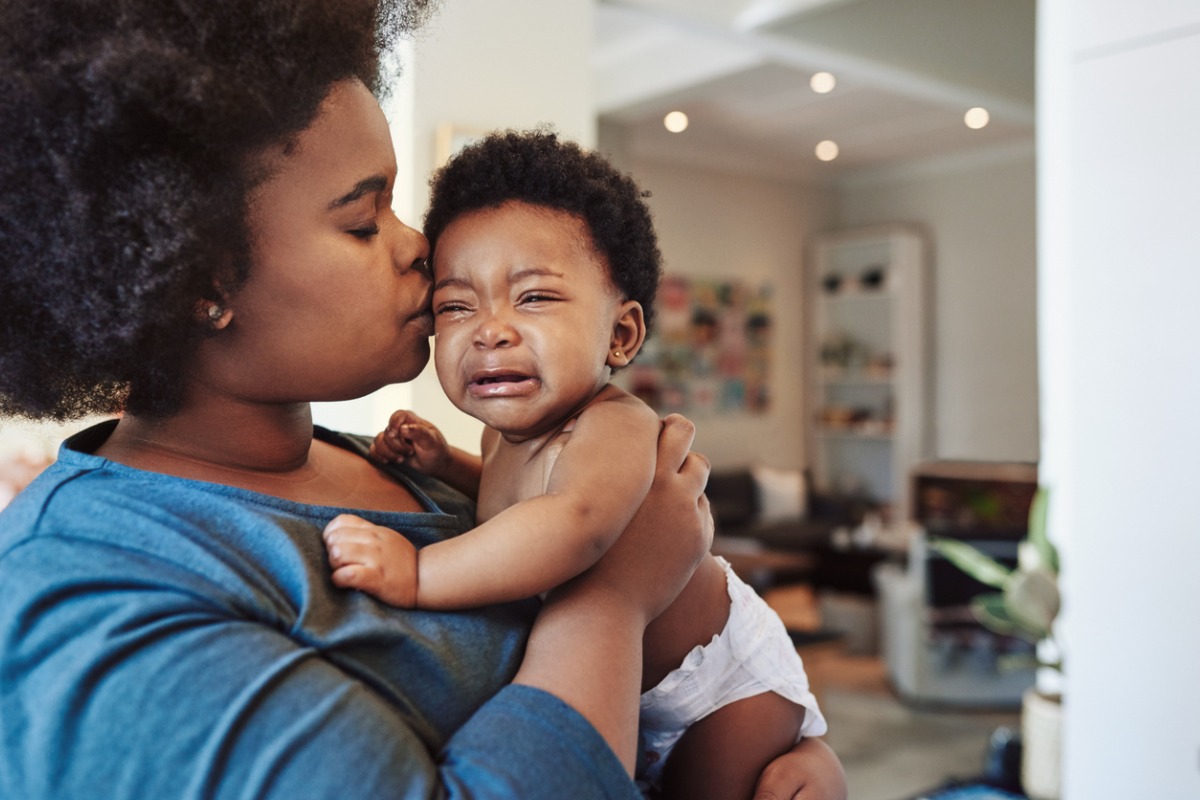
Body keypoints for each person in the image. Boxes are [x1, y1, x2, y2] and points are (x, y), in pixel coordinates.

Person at [0, 1, 847, 798]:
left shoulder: (388, 464)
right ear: (198, 279)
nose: (420, 249)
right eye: (365, 221)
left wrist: (785, 750)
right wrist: (615, 598)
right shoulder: (92, 592)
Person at [322, 130, 827, 799]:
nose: (489, 328)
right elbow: (516, 504)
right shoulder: (507, 434)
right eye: (455, 305)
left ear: (620, 334)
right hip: (629, 686)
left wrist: (418, 572)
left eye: (533, 297)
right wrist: (448, 464)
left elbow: (573, 525)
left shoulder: (613, 426)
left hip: (722, 682)